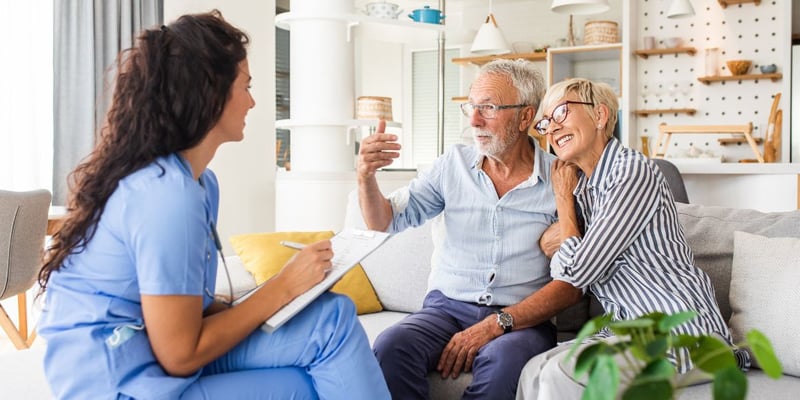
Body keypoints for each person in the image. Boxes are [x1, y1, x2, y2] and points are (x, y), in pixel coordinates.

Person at [37, 10, 390, 400]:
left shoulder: (201, 184)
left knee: (331, 316)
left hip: (153, 352)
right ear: (210, 93)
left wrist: (293, 288)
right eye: (246, 86)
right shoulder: (165, 196)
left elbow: (198, 313)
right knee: (306, 385)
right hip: (121, 383)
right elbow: (180, 355)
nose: (253, 102)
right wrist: (284, 286)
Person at [356, 59, 583, 399]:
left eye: (489, 108)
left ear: (526, 117)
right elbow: (384, 220)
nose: (475, 120)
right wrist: (365, 177)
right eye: (471, 107)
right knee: (392, 345)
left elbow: (572, 285)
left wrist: (498, 323)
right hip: (445, 309)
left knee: (503, 361)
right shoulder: (452, 165)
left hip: (522, 319)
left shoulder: (562, 178)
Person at [515, 78, 749, 399]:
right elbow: (562, 253)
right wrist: (565, 223)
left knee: (563, 373)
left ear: (599, 116)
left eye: (562, 113)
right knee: (534, 368)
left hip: (683, 333)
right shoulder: (586, 189)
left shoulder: (632, 172)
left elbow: (575, 273)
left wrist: (562, 201)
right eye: (545, 122)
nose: (552, 129)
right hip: (629, 331)